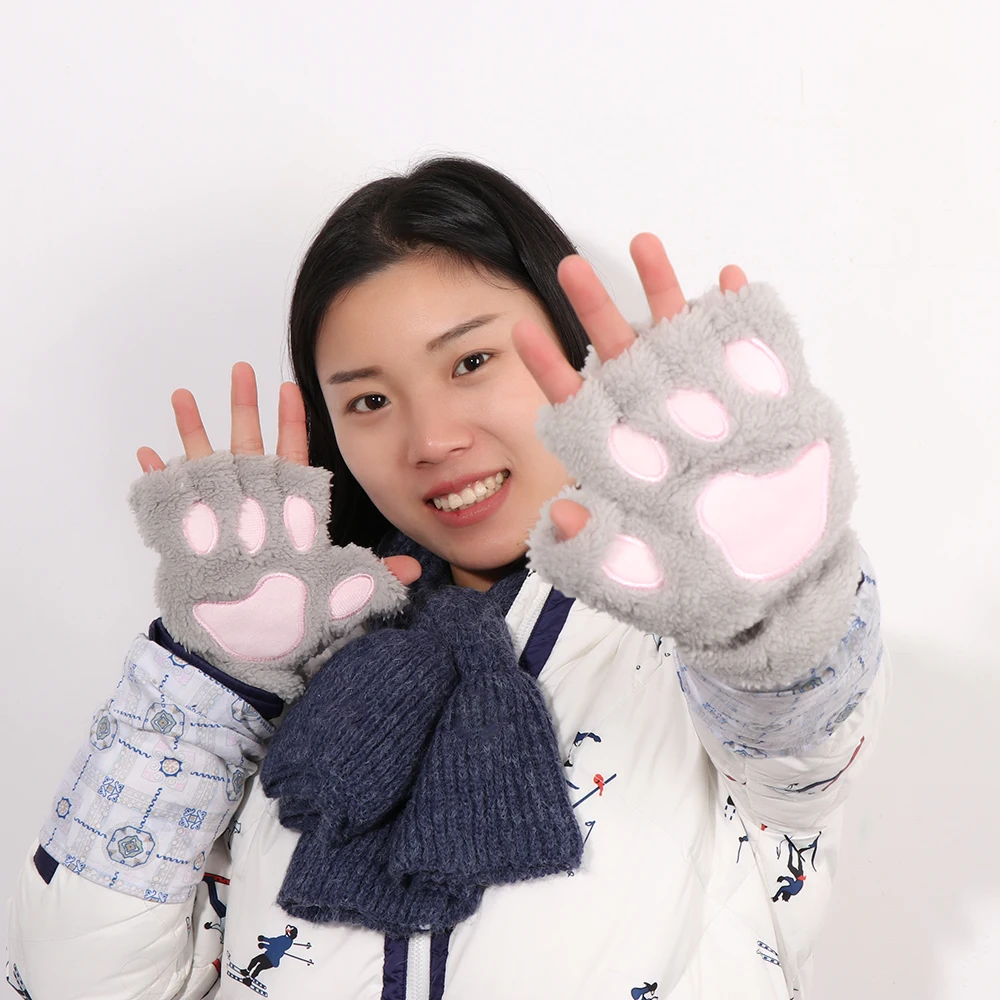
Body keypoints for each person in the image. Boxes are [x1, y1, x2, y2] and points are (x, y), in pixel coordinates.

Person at [6, 156, 889, 999]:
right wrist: (208, 688)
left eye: (470, 362)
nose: (430, 439)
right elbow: (79, 985)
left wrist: (763, 598)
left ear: (571, 348)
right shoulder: (286, 671)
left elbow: (801, 742)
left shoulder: (708, 641)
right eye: (369, 400)